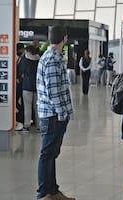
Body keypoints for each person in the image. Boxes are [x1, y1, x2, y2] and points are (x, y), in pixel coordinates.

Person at [36, 26, 75, 200]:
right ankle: (44, 193)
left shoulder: (56, 57)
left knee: (51, 154)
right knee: (47, 154)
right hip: (52, 115)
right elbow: (53, 90)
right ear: (64, 39)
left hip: (55, 114)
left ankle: (52, 191)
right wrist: (62, 113)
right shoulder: (52, 59)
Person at [19, 45, 40, 132]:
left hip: (27, 86)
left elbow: (21, 70)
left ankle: (27, 125)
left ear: (28, 51)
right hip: (37, 86)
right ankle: (39, 125)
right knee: (37, 107)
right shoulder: (39, 59)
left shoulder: (25, 59)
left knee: (27, 107)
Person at [15, 43, 25, 130]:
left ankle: (21, 117)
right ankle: (20, 116)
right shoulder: (20, 58)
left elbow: (23, 71)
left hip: (21, 84)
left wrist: (19, 79)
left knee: (19, 101)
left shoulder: (24, 58)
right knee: (17, 101)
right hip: (19, 83)